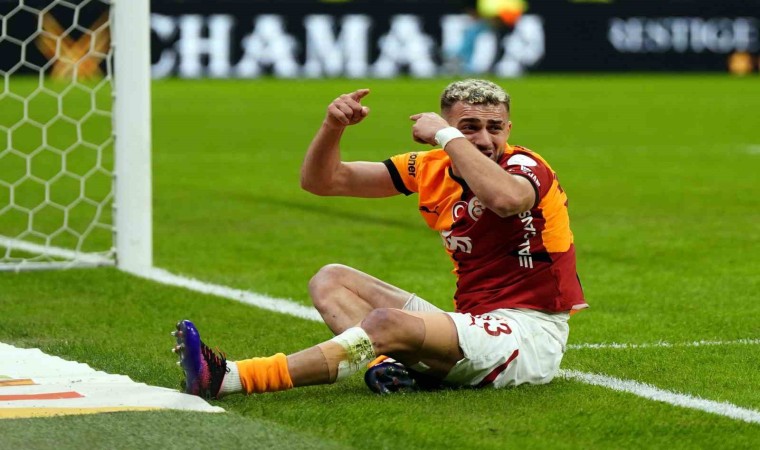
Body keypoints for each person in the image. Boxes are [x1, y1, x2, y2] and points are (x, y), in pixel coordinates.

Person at [172, 79, 587, 398]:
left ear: (509, 128)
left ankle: (232, 378)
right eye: (470, 127)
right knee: (331, 279)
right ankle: (388, 367)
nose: (483, 139)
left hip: (528, 335)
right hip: (473, 323)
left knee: (386, 322)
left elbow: (506, 200)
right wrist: (333, 127)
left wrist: (448, 136)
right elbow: (323, 181)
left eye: (494, 128)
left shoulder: (524, 166)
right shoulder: (429, 167)